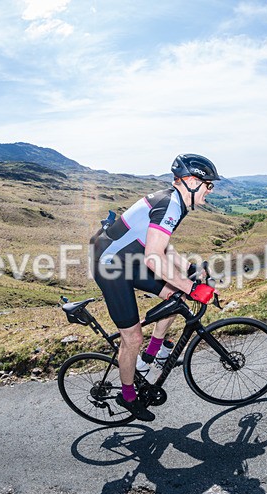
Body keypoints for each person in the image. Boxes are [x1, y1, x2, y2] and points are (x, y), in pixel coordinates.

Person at [90, 154, 220, 421]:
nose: (210, 190)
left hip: (129, 260)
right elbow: (153, 257)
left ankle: (151, 358)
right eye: (208, 184)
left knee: (175, 295)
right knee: (132, 337)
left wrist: (187, 272)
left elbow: (163, 247)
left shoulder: (176, 202)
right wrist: (192, 287)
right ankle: (127, 396)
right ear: (192, 181)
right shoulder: (169, 204)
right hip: (110, 267)